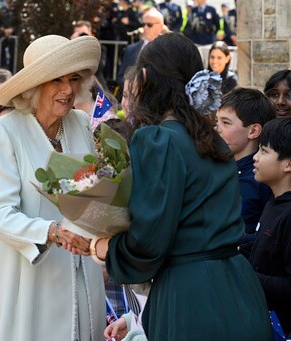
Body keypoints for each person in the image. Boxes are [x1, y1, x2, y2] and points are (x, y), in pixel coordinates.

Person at [92, 33, 272, 341]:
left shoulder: (158, 139)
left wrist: (102, 248)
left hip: (190, 297)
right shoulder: (212, 137)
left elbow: (148, 242)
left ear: (145, 77)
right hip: (239, 288)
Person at [0, 34, 106, 341]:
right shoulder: (2, 130)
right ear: (35, 86)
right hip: (25, 276)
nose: (68, 89)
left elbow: (91, 195)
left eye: (74, 78)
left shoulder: (81, 123)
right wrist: (53, 232)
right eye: (56, 80)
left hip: (80, 272)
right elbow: (0, 214)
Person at [215, 88, 275, 255]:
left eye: (226, 123)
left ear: (253, 131)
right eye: (216, 121)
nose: (216, 129)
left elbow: (269, 234)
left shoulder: (264, 178)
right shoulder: (214, 168)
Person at [250, 117, 291, 338]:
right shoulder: (273, 203)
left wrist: (247, 277)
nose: (255, 157)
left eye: (264, 151)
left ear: (288, 164)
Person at [117, 7, 164, 86]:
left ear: (160, 27)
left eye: (149, 25)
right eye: (143, 24)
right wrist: (131, 85)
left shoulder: (168, 50)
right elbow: (121, 77)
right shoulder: (131, 49)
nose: (145, 28)